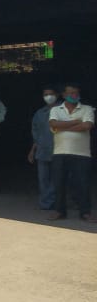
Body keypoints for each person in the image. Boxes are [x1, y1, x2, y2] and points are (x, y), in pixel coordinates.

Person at [48, 82, 95, 222]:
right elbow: (53, 124)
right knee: (59, 183)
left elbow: (87, 125)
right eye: (71, 93)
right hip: (60, 152)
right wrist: (76, 121)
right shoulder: (56, 109)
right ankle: (59, 211)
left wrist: (62, 127)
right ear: (64, 95)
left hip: (82, 154)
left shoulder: (87, 109)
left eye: (76, 93)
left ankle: (85, 212)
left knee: (83, 184)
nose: (74, 95)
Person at [29, 86, 59, 211]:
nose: (48, 97)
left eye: (51, 94)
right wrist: (32, 150)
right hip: (42, 150)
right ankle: (46, 202)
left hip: (59, 150)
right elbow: (36, 133)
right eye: (46, 94)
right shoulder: (40, 113)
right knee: (43, 179)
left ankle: (50, 201)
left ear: (57, 95)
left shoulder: (63, 110)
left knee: (56, 178)